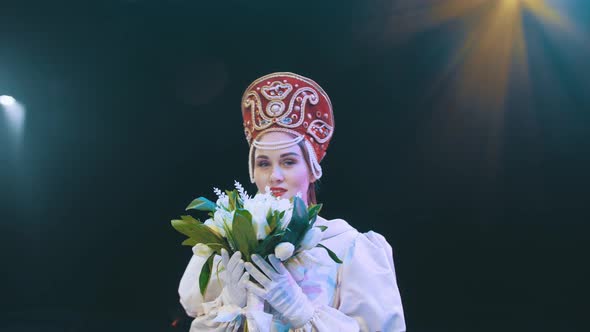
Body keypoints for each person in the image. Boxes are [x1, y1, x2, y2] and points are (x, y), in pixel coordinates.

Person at [178, 72, 406, 331]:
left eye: (288, 162)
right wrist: (230, 306)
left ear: (311, 170)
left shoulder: (346, 246)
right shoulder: (228, 242)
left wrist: (301, 311)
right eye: (263, 163)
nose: (274, 176)